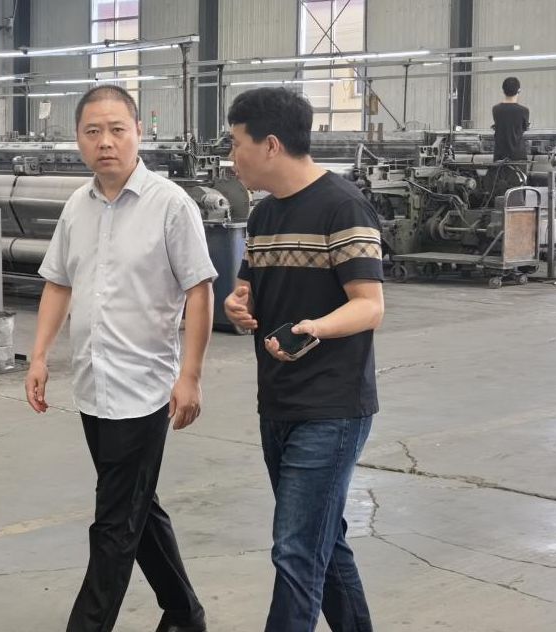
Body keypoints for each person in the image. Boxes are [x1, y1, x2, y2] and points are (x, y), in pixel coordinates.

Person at [25, 84, 216, 632]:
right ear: (78, 139)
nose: (105, 142)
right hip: (92, 385)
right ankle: (184, 613)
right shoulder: (77, 207)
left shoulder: (170, 205)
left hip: (143, 389)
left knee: (113, 524)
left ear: (139, 133)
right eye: (93, 131)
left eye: (116, 130)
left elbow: (199, 289)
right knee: (136, 507)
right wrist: (39, 356)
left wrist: (191, 376)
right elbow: (58, 284)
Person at [223, 87, 385, 632]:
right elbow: (247, 288)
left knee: (295, 550)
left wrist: (315, 327)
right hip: (278, 402)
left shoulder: (343, 206)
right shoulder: (264, 215)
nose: (232, 157)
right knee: (322, 543)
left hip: (331, 408)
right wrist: (238, 304)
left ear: (270, 144)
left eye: (236, 143)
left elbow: (369, 306)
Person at [492, 76, 529, 161]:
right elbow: (524, 128)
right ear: (519, 90)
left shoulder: (496, 109)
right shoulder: (524, 110)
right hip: (518, 156)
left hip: (500, 155)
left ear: (503, 90)